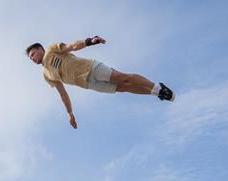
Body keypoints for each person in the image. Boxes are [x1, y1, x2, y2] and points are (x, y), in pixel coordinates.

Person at [24, 36, 172, 129]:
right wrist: (70, 113)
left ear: (40, 49)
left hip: (90, 68)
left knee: (124, 78)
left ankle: (157, 86)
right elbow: (62, 93)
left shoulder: (51, 49)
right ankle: (157, 92)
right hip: (88, 84)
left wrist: (89, 41)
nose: (32, 58)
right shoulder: (46, 75)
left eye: (33, 54)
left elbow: (72, 46)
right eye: (30, 58)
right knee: (122, 88)